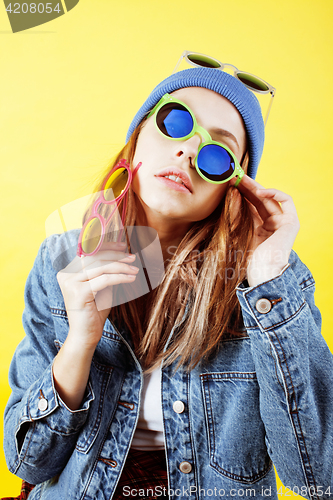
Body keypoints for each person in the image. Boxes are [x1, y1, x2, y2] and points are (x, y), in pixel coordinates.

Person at [3, 53, 333, 500]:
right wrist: (80, 341)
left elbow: (315, 477)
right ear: (137, 139)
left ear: (233, 186)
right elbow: (29, 462)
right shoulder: (60, 260)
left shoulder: (271, 283)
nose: (188, 150)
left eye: (218, 153)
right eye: (175, 122)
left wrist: (268, 280)